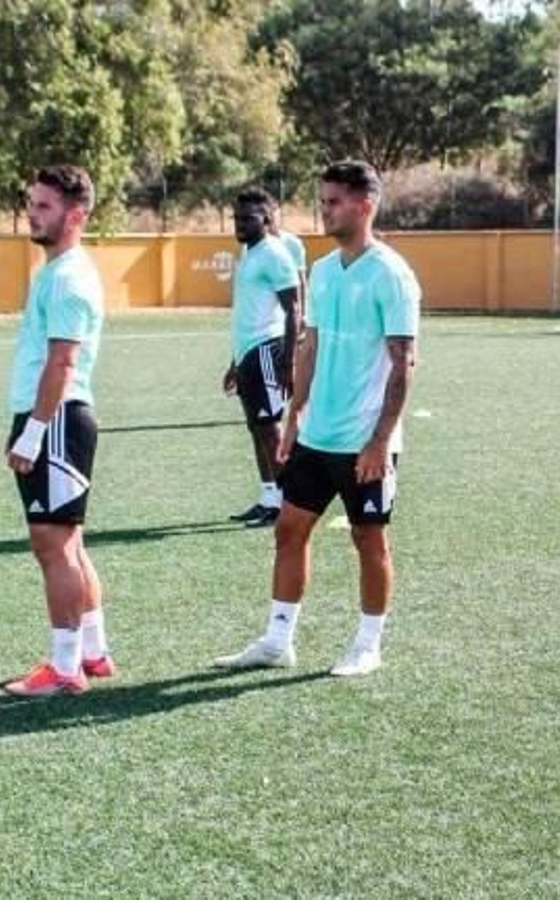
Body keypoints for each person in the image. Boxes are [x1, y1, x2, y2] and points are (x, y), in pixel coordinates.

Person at [215, 160, 421, 678]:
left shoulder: (392, 274)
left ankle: (368, 644)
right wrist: (293, 416)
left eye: (333, 201)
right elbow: (310, 346)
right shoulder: (325, 271)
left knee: (368, 538)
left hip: (365, 440)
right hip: (317, 432)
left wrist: (380, 441)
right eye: (322, 199)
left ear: (365, 205)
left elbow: (404, 361)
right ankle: (278, 639)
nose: (323, 209)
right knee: (289, 529)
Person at [3, 165, 112, 697]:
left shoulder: (69, 277)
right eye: (33, 202)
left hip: (59, 418)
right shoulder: (53, 271)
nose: (33, 212)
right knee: (70, 544)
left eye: (44, 206)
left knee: (54, 548)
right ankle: (93, 652)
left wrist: (34, 432)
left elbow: (63, 364)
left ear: (76, 215)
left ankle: (64, 669)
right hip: (52, 417)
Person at [224, 188, 302, 528]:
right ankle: (268, 497)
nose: (239, 224)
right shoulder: (249, 252)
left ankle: (287, 503)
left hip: (267, 351)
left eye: (248, 218)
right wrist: (233, 362)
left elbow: (294, 308)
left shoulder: (274, 253)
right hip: (247, 354)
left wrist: (288, 362)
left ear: (267, 219)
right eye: (237, 218)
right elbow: (246, 311)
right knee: (257, 428)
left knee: (270, 429)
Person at [266, 193, 310, 301]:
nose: (271, 218)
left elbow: (301, 281)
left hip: (288, 305)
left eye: (274, 212)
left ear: (279, 214)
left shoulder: (293, 243)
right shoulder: (253, 246)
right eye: (268, 214)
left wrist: (303, 313)